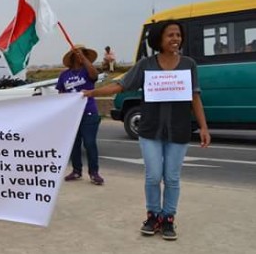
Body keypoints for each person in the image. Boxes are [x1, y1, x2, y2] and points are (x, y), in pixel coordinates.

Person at [83, 20, 211, 241]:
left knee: (172, 178)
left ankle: (168, 218)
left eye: (178, 35)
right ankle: (153, 215)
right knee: (153, 176)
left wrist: (203, 127)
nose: (175, 39)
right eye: (170, 35)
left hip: (178, 130)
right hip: (150, 130)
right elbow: (122, 85)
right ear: (159, 39)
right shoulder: (146, 65)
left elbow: (195, 96)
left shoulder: (189, 64)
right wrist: (91, 93)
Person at [56, 44, 104, 186]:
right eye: (77, 53)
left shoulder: (87, 72)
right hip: (72, 114)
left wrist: (84, 58)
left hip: (88, 112)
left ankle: (94, 172)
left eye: (83, 53)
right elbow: (61, 93)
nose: (80, 55)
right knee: (74, 144)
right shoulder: (64, 75)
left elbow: (94, 75)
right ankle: (77, 170)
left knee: (89, 143)